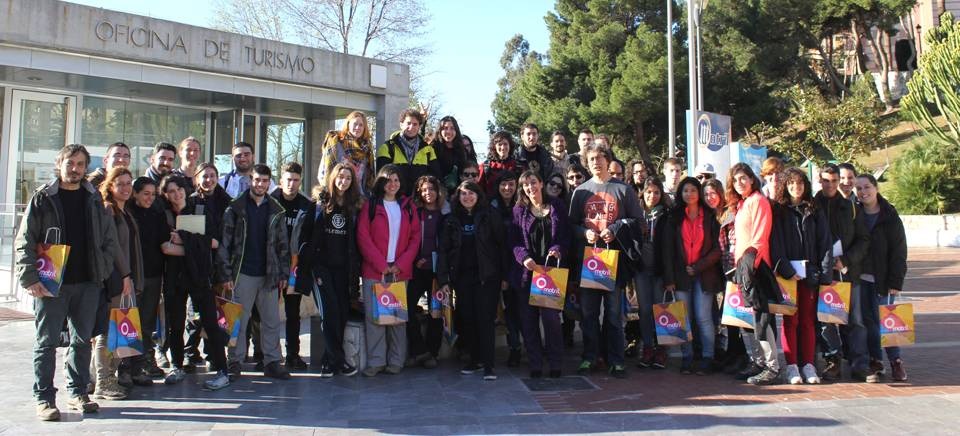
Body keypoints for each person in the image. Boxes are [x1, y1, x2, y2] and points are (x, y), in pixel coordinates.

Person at [17, 144, 117, 420]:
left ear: (86, 168)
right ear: (59, 164)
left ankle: (77, 392)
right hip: (50, 283)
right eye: (70, 163)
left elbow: (109, 240)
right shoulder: (43, 198)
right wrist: (29, 277)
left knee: (82, 341)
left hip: (87, 282)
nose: (75, 169)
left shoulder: (94, 198)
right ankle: (45, 398)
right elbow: (25, 240)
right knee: (46, 342)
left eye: (81, 164)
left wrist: (104, 268)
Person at [568, 143, 643, 379]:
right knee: (589, 314)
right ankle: (590, 357)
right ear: (586, 162)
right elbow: (570, 226)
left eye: (600, 158)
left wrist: (616, 227)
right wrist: (583, 233)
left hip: (614, 262)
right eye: (591, 159)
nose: (596, 163)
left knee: (613, 315)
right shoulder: (580, 192)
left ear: (608, 160)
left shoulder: (623, 190)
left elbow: (638, 222)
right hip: (589, 262)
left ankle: (616, 360)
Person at [158, 175, 232, 389]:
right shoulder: (164, 215)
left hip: (199, 276)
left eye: (179, 189)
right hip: (174, 277)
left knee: (210, 321)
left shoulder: (200, 209)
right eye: (171, 191)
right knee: (176, 323)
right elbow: (165, 248)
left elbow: (215, 242)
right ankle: (177, 365)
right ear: (165, 195)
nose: (176, 194)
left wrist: (183, 239)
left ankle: (222, 370)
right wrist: (194, 246)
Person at [219, 164, 292, 381]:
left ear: (270, 183)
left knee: (271, 321)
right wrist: (226, 274)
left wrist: (283, 274)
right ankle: (234, 361)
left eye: (265, 181)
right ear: (250, 180)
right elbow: (225, 243)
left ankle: (272, 362)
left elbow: (283, 246)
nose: (260, 184)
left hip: (268, 274)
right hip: (242, 273)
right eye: (257, 180)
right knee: (238, 321)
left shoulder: (276, 209)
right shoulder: (236, 208)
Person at [298, 162, 363, 377]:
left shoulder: (354, 206)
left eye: (348, 178)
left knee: (342, 313)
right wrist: (309, 264)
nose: (343, 181)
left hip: (344, 269)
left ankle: (329, 360)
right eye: (340, 177)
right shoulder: (319, 203)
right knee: (330, 312)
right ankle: (338, 361)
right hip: (321, 268)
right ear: (333, 178)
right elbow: (305, 235)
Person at [438, 181, 507, 380]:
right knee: (468, 319)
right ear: (458, 197)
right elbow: (444, 251)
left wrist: (504, 276)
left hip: (487, 277)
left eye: (471, 193)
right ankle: (474, 360)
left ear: (478, 195)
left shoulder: (489, 215)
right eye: (463, 194)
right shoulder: (451, 220)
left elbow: (501, 246)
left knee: (485, 320)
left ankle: (488, 365)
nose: (467, 197)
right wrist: (444, 279)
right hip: (462, 277)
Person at [357, 164, 421, 376]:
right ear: (381, 182)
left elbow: (415, 239)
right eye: (388, 180)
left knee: (396, 320)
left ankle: (396, 361)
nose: (393, 184)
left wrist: (400, 265)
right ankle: (376, 362)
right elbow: (363, 237)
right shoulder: (371, 205)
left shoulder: (408, 206)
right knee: (375, 319)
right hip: (375, 271)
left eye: (396, 180)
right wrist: (381, 264)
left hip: (399, 272)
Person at [771, 168, 832, 385]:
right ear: (785, 187)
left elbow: (825, 243)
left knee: (808, 321)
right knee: (790, 321)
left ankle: (808, 364)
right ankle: (792, 366)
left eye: (800, 184)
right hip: (789, 276)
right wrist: (787, 270)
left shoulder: (814, 210)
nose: (796, 188)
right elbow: (774, 243)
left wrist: (823, 273)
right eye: (791, 184)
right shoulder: (779, 211)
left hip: (810, 275)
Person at [510, 170, 570, 378]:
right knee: (528, 322)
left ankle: (555, 362)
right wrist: (524, 257)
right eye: (526, 185)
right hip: (527, 274)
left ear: (541, 183)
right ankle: (535, 363)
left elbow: (565, 236)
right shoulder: (519, 210)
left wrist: (558, 248)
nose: (530, 187)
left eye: (533, 182)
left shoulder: (557, 206)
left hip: (550, 273)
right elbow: (514, 241)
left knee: (551, 320)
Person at [815, 163, 871, 382]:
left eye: (834, 181)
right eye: (826, 181)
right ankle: (833, 361)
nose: (830, 185)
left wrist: (845, 260)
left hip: (848, 272)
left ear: (840, 181)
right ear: (819, 181)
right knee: (826, 321)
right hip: (822, 274)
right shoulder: (812, 205)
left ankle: (859, 363)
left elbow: (863, 239)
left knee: (855, 321)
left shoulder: (851, 207)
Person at [662, 177, 722, 375]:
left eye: (693, 190)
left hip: (704, 274)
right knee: (683, 318)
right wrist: (669, 279)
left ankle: (708, 357)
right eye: (685, 190)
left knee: (703, 317)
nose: (689, 194)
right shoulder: (674, 217)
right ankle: (687, 357)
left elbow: (716, 249)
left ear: (699, 193)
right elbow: (668, 251)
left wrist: (698, 267)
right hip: (680, 276)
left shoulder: (710, 217)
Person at [91, 167, 141, 401]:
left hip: (127, 277)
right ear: (110, 186)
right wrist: (125, 276)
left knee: (122, 328)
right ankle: (103, 381)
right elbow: (113, 247)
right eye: (120, 183)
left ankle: (103, 377)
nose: (126, 188)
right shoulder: (108, 209)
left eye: (129, 183)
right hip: (115, 278)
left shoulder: (126, 210)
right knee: (108, 330)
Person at [726, 162, 779, 385]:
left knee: (762, 318)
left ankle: (772, 366)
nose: (739, 183)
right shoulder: (743, 203)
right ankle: (758, 361)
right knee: (750, 319)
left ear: (751, 179)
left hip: (756, 268)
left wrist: (749, 267)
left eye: (743, 178)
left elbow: (759, 238)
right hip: (744, 268)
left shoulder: (758, 201)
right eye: (735, 180)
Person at [855, 174, 908, 382]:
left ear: (876, 188)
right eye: (859, 188)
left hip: (884, 280)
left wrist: (896, 282)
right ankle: (876, 360)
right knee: (867, 322)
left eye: (867, 187)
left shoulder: (889, 215)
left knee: (887, 321)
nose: (863, 192)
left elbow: (899, 251)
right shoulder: (855, 213)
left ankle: (896, 361)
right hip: (860, 279)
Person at [181, 163, 232, 369]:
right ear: (196, 179)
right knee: (195, 313)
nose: (208, 180)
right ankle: (189, 351)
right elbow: (187, 234)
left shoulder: (227, 201)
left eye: (212, 176)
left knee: (216, 313)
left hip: (220, 264)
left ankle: (213, 353)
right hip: (199, 265)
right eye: (204, 176)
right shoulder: (192, 202)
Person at [270, 162, 315, 370]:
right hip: (270, 263)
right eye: (288, 179)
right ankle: (266, 353)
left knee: (292, 312)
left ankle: (292, 354)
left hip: (294, 266)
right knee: (265, 312)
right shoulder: (270, 201)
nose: (291, 183)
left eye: (296, 180)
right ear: (281, 180)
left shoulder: (307, 205)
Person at [405, 175, 448, 369]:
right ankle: (418, 350)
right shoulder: (415, 212)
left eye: (431, 189)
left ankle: (432, 352)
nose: (428, 193)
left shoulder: (446, 213)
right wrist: (415, 259)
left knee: (436, 313)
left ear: (438, 191)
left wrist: (433, 259)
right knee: (406, 307)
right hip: (416, 269)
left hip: (437, 271)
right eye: (424, 190)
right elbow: (409, 238)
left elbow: (449, 245)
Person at [127, 177, 166, 377]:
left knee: (148, 321)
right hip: (131, 276)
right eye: (145, 194)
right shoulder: (127, 214)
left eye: (153, 194)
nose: (150, 198)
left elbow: (164, 242)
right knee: (130, 322)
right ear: (135, 193)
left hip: (153, 275)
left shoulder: (157, 214)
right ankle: (128, 366)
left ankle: (144, 361)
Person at [630, 177, 671, 369]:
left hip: (660, 270)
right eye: (648, 192)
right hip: (641, 270)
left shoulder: (666, 215)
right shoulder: (637, 216)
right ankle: (647, 347)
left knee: (660, 309)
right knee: (645, 310)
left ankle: (661, 349)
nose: (652, 196)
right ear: (642, 193)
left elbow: (672, 247)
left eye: (656, 192)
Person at [490, 171, 523, 367]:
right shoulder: (491, 207)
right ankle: (514, 348)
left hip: (519, 265)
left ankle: (519, 348)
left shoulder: (522, 206)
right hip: (498, 266)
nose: (507, 188)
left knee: (517, 311)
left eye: (511, 185)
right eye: (504, 185)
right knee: (506, 312)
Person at [376, 109, 437, 197]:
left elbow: (435, 177)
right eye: (408, 123)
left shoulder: (428, 150)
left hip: (419, 201)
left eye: (415, 124)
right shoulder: (387, 147)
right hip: (394, 200)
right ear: (401, 125)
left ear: (419, 126)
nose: (411, 127)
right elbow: (381, 179)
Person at [319, 110, 376, 196]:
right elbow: (324, 172)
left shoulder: (367, 149)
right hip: (337, 196)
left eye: (361, 125)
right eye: (355, 124)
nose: (357, 128)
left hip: (359, 198)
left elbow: (368, 178)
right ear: (348, 124)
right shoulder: (335, 142)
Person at [432, 116, 468, 194]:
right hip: (437, 191)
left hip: (457, 192)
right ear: (440, 130)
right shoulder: (433, 148)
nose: (448, 131)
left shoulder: (461, 150)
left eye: (452, 128)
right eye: (445, 128)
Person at [479, 131, 520, 198]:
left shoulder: (518, 166)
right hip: (491, 206)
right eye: (500, 144)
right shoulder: (486, 166)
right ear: (494, 147)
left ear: (510, 146)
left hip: (514, 205)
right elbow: (479, 189)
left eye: (505, 144)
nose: (503, 147)